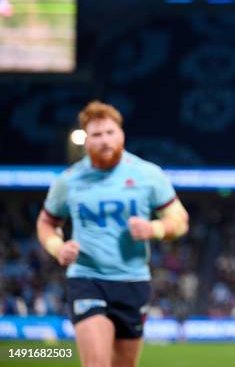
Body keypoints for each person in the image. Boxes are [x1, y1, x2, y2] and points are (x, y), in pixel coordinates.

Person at [37, 101, 189, 367]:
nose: (105, 140)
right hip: (87, 278)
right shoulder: (68, 181)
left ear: (122, 134)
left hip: (133, 281)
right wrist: (56, 247)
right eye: (96, 135)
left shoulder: (148, 174)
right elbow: (46, 223)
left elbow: (180, 220)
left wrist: (154, 228)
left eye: (110, 132)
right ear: (86, 140)